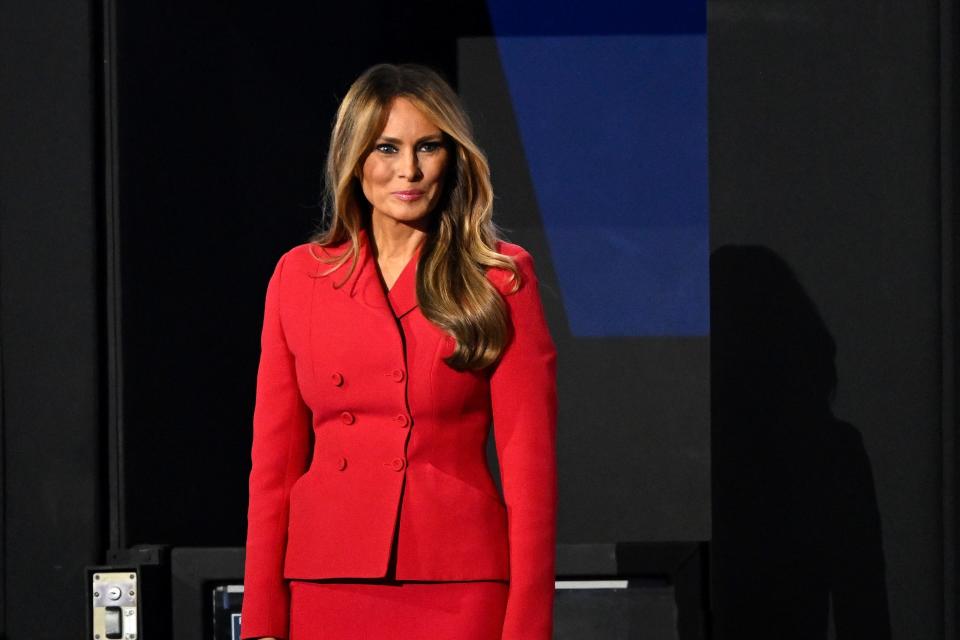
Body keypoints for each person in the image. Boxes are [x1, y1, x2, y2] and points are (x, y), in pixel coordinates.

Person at [239, 62, 558, 640]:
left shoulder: (499, 276)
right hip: (325, 581)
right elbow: (274, 466)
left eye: (427, 147)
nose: (407, 170)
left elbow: (528, 467)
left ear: (452, 157)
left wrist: (528, 626)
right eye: (386, 148)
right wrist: (262, 619)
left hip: (457, 584)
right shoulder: (298, 278)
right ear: (355, 157)